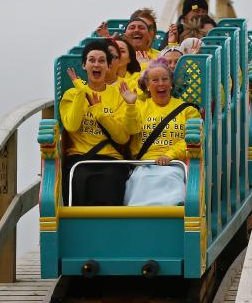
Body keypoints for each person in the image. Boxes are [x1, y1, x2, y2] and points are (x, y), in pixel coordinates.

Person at [59, 41, 140, 205]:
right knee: (78, 179)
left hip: (110, 159)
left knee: (110, 182)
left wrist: (99, 112)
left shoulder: (119, 95)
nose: (97, 64)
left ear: (109, 66)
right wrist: (82, 92)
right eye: (92, 60)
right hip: (80, 159)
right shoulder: (72, 94)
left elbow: (122, 138)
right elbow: (72, 126)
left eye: (102, 61)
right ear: (84, 65)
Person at [124, 60, 201, 206]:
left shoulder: (188, 110)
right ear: (147, 85)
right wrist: (130, 106)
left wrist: (169, 155)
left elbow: (192, 138)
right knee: (138, 182)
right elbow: (130, 130)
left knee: (170, 177)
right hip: (144, 166)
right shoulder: (139, 107)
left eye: (165, 79)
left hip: (174, 165)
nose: (161, 84)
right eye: (155, 80)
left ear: (171, 83)